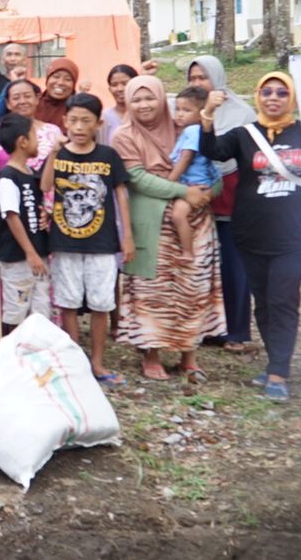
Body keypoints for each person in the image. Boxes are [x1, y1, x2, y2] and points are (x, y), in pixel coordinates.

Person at [199, 72, 301, 400]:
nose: (273, 98)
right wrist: (207, 113)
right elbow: (213, 150)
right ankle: (275, 362)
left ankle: (278, 372)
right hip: (251, 233)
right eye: (267, 92)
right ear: (258, 96)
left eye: (281, 92)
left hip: (293, 234)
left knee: (283, 300)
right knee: (262, 301)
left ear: (291, 98)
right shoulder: (244, 134)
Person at [113, 76, 223, 384]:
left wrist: (208, 193)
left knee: (193, 288)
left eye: (150, 98)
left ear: (163, 99)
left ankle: (189, 356)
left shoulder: (185, 126)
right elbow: (138, 179)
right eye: (136, 99)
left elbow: (213, 167)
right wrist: (183, 191)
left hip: (195, 219)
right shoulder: (124, 135)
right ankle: (151, 354)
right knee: (153, 292)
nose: (143, 105)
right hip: (153, 223)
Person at [41, 93, 132, 387]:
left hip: (102, 243)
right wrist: (53, 154)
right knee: (67, 302)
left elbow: (121, 194)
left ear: (98, 124)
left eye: (86, 121)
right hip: (64, 242)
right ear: (65, 121)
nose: (79, 127)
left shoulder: (108, 156)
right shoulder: (59, 154)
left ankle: (97, 362)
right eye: (74, 120)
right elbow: (45, 186)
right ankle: (75, 361)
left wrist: (127, 236)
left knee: (101, 303)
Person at [186, 54, 258, 355]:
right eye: (193, 78)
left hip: (232, 194)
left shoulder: (242, 113)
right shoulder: (189, 109)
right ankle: (207, 328)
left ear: (217, 78)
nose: (198, 83)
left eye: (203, 77)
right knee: (203, 265)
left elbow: (246, 156)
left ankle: (236, 330)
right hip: (198, 197)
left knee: (234, 265)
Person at [0, 114, 51, 333]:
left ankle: (37, 348)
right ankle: (12, 348)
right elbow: (11, 216)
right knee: (16, 308)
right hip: (17, 257)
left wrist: (44, 216)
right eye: (35, 136)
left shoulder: (30, 173)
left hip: (37, 254)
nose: (38, 141)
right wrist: (30, 252)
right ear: (23, 142)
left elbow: (36, 204)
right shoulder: (8, 177)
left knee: (41, 308)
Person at [168, 86, 217, 264]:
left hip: (194, 184)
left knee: (178, 215)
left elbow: (186, 158)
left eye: (187, 110)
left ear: (201, 113)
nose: (180, 114)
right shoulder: (188, 131)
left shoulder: (193, 131)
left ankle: (187, 251)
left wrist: (170, 181)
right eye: (178, 109)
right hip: (192, 183)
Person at [0, 79, 63, 175]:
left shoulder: (53, 131)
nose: (22, 101)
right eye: (16, 98)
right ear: (8, 103)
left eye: (27, 96)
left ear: (37, 99)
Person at [100, 64, 138, 145]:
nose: (120, 89)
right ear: (109, 89)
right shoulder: (104, 117)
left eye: (125, 83)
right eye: (114, 85)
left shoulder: (144, 114)